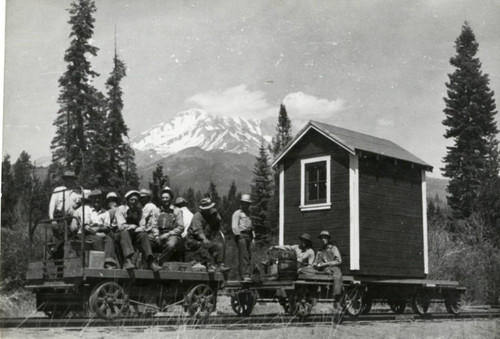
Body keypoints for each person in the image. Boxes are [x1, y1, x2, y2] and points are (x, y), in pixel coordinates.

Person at [114, 190, 161, 271]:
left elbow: (142, 226)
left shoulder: (139, 211)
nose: (133, 202)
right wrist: (133, 227)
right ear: (127, 200)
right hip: (119, 234)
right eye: (131, 200)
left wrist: (136, 228)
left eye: (135, 200)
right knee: (125, 233)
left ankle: (150, 261)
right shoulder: (121, 209)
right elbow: (121, 226)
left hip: (133, 234)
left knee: (143, 234)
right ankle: (128, 260)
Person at [70, 190, 117, 269]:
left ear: (102, 200)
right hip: (85, 234)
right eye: (95, 198)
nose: (97, 200)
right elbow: (85, 227)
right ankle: (99, 264)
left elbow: (107, 227)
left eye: (99, 198)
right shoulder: (86, 209)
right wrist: (96, 233)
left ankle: (109, 261)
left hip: (99, 233)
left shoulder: (105, 213)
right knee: (97, 239)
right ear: (91, 199)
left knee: (109, 239)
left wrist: (98, 229)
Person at [185, 197, 230, 272]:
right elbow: (198, 230)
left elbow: (219, 220)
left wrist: (216, 214)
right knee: (202, 244)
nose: (208, 210)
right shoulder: (197, 216)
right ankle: (209, 264)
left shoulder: (211, 215)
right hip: (192, 240)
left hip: (204, 239)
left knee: (218, 246)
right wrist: (205, 239)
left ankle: (219, 265)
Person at [152, 187, 184, 264]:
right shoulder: (157, 211)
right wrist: (156, 236)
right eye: (163, 198)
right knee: (146, 240)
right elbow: (154, 225)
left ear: (171, 199)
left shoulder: (177, 211)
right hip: (159, 234)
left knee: (171, 245)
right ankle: (149, 263)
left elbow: (181, 227)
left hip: (172, 234)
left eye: (167, 197)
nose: (165, 199)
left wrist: (168, 234)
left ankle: (160, 262)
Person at [313, 230, 343, 308]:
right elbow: (316, 261)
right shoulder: (320, 251)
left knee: (337, 277)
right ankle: (314, 295)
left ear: (328, 239)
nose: (323, 240)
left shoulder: (333, 248)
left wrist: (326, 264)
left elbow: (339, 261)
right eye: (322, 238)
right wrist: (316, 264)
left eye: (325, 238)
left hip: (333, 268)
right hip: (323, 269)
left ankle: (337, 297)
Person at [231, 194, 255, 281]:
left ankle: (246, 274)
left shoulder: (249, 214)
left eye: (248, 203)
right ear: (242, 203)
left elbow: (251, 226)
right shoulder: (237, 213)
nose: (246, 205)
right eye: (245, 203)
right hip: (241, 235)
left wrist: (253, 237)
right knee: (244, 255)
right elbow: (234, 225)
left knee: (248, 255)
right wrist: (238, 235)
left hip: (249, 236)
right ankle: (245, 275)